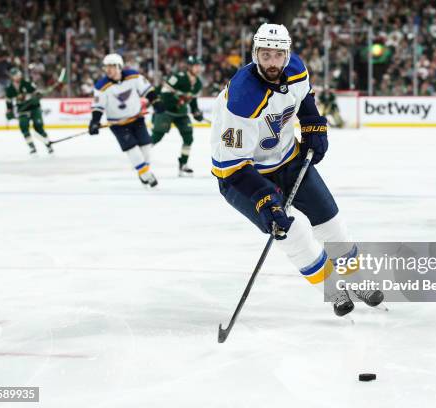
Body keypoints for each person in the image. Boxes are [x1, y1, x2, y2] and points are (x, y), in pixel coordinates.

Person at [210, 23, 383, 317]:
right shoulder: (241, 100)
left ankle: (356, 280)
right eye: (265, 55)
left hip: (288, 160)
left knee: (332, 225)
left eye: (278, 55)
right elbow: (232, 166)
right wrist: (265, 198)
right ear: (255, 54)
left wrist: (313, 123)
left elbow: (304, 98)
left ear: (287, 54)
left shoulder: (295, 68)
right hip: (243, 178)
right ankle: (333, 290)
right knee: (293, 230)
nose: (273, 62)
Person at [89, 54, 166, 188]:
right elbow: (98, 106)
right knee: (133, 150)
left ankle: (143, 171)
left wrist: (156, 101)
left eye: (111, 67)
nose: (108, 70)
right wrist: (94, 121)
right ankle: (147, 175)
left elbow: (148, 90)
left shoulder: (133, 76)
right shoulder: (101, 86)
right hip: (118, 124)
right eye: (106, 67)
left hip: (137, 119)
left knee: (146, 148)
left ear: (119, 66)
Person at [152, 55, 204, 177]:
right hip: (166, 111)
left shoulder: (198, 84)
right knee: (156, 136)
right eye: (195, 66)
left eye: (199, 66)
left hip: (181, 114)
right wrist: (178, 102)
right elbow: (164, 94)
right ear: (189, 67)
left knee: (188, 138)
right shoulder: (177, 77)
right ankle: (141, 158)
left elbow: (192, 101)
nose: (197, 68)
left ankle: (183, 165)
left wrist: (196, 111)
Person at [5, 68, 53, 154]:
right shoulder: (9, 88)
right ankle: (32, 147)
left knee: (38, 126)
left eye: (19, 74)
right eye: (16, 75)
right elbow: (8, 101)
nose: (18, 76)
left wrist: (37, 96)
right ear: (12, 77)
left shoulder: (27, 83)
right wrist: (9, 110)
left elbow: (36, 92)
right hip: (22, 110)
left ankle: (48, 144)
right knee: (24, 127)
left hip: (34, 108)